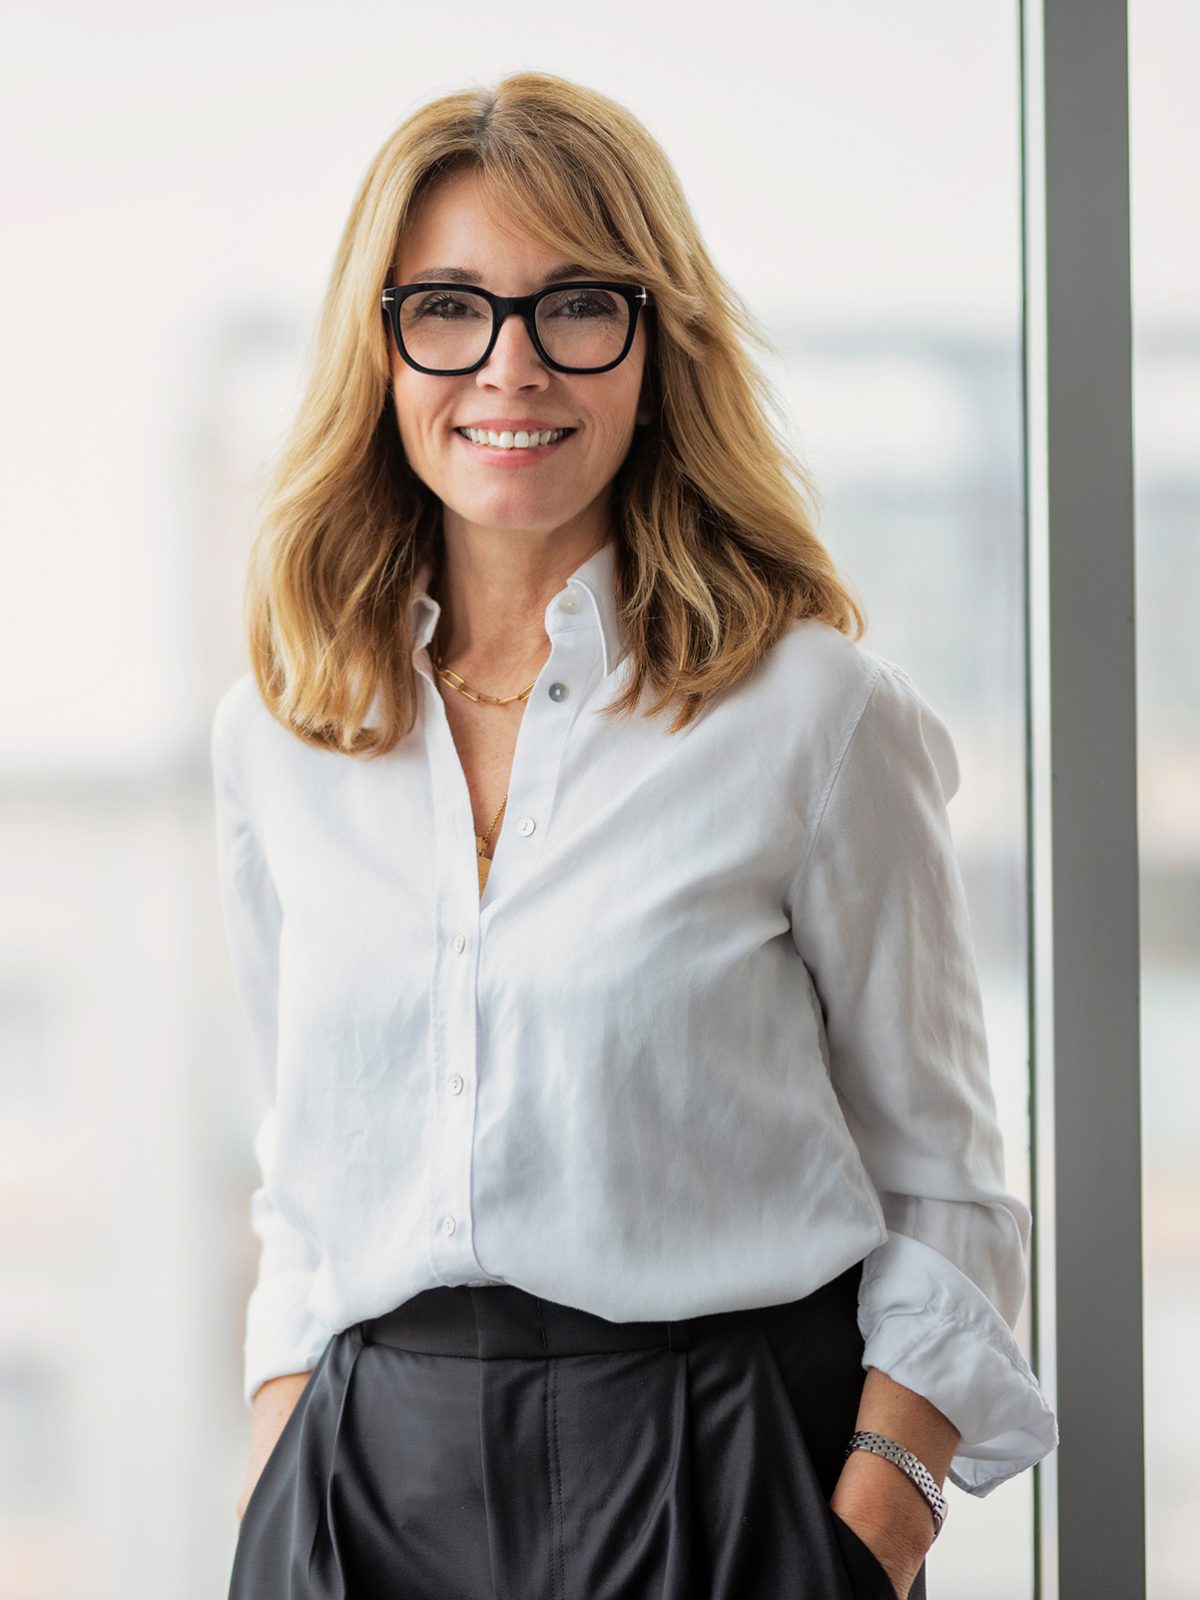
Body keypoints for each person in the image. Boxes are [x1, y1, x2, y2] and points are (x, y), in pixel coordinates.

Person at [211, 70, 1058, 1600]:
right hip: (359, 1495)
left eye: (575, 308)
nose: (511, 368)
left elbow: (949, 1182)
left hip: (715, 1477)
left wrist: (875, 1524)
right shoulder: (281, 733)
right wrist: (288, 1444)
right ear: (380, 345)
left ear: (656, 348)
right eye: (450, 309)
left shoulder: (813, 715)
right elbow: (302, 1168)